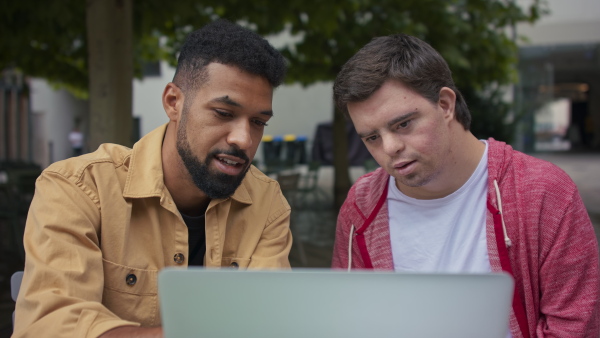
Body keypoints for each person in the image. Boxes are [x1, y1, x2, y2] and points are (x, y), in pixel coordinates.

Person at [14, 19, 291, 338]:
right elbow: (47, 326)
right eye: (224, 113)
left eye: (258, 122)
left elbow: (268, 320)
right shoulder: (77, 186)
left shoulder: (267, 203)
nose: (244, 139)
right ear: (174, 102)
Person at [331, 34, 600, 337]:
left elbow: (575, 326)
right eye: (372, 137)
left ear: (445, 104)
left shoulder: (543, 193)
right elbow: (352, 318)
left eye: (403, 124)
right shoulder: (361, 205)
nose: (389, 147)